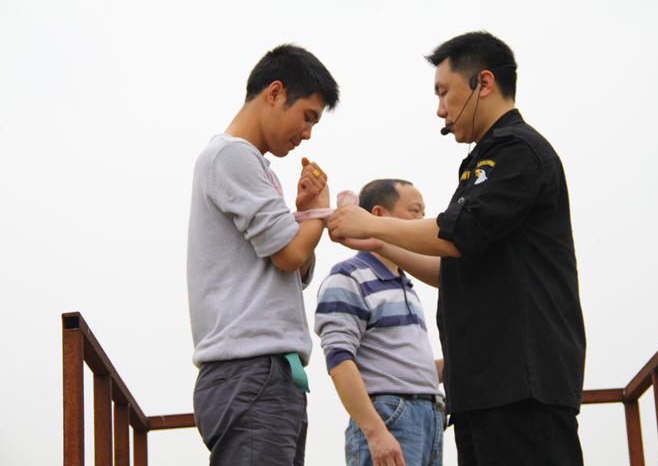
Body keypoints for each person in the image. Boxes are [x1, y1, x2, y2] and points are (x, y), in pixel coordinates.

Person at [327, 31, 586, 466]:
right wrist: (378, 240)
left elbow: (456, 233)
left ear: (483, 83)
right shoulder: (484, 161)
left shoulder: (517, 150)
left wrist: (372, 223)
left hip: (520, 386)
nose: (440, 109)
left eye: (444, 92)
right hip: (482, 390)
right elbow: (453, 263)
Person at [187, 44, 339, 466]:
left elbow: (294, 265)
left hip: (265, 372)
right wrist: (320, 211)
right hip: (251, 370)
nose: (307, 133)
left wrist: (303, 215)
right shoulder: (231, 154)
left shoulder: (256, 167)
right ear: (275, 92)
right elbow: (290, 255)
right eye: (307, 116)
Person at [316, 179, 445, 466]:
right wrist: (375, 431)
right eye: (415, 211)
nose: (421, 221)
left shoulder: (407, 284)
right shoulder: (348, 276)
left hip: (430, 418)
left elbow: (408, 369)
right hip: (390, 417)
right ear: (378, 214)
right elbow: (338, 359)